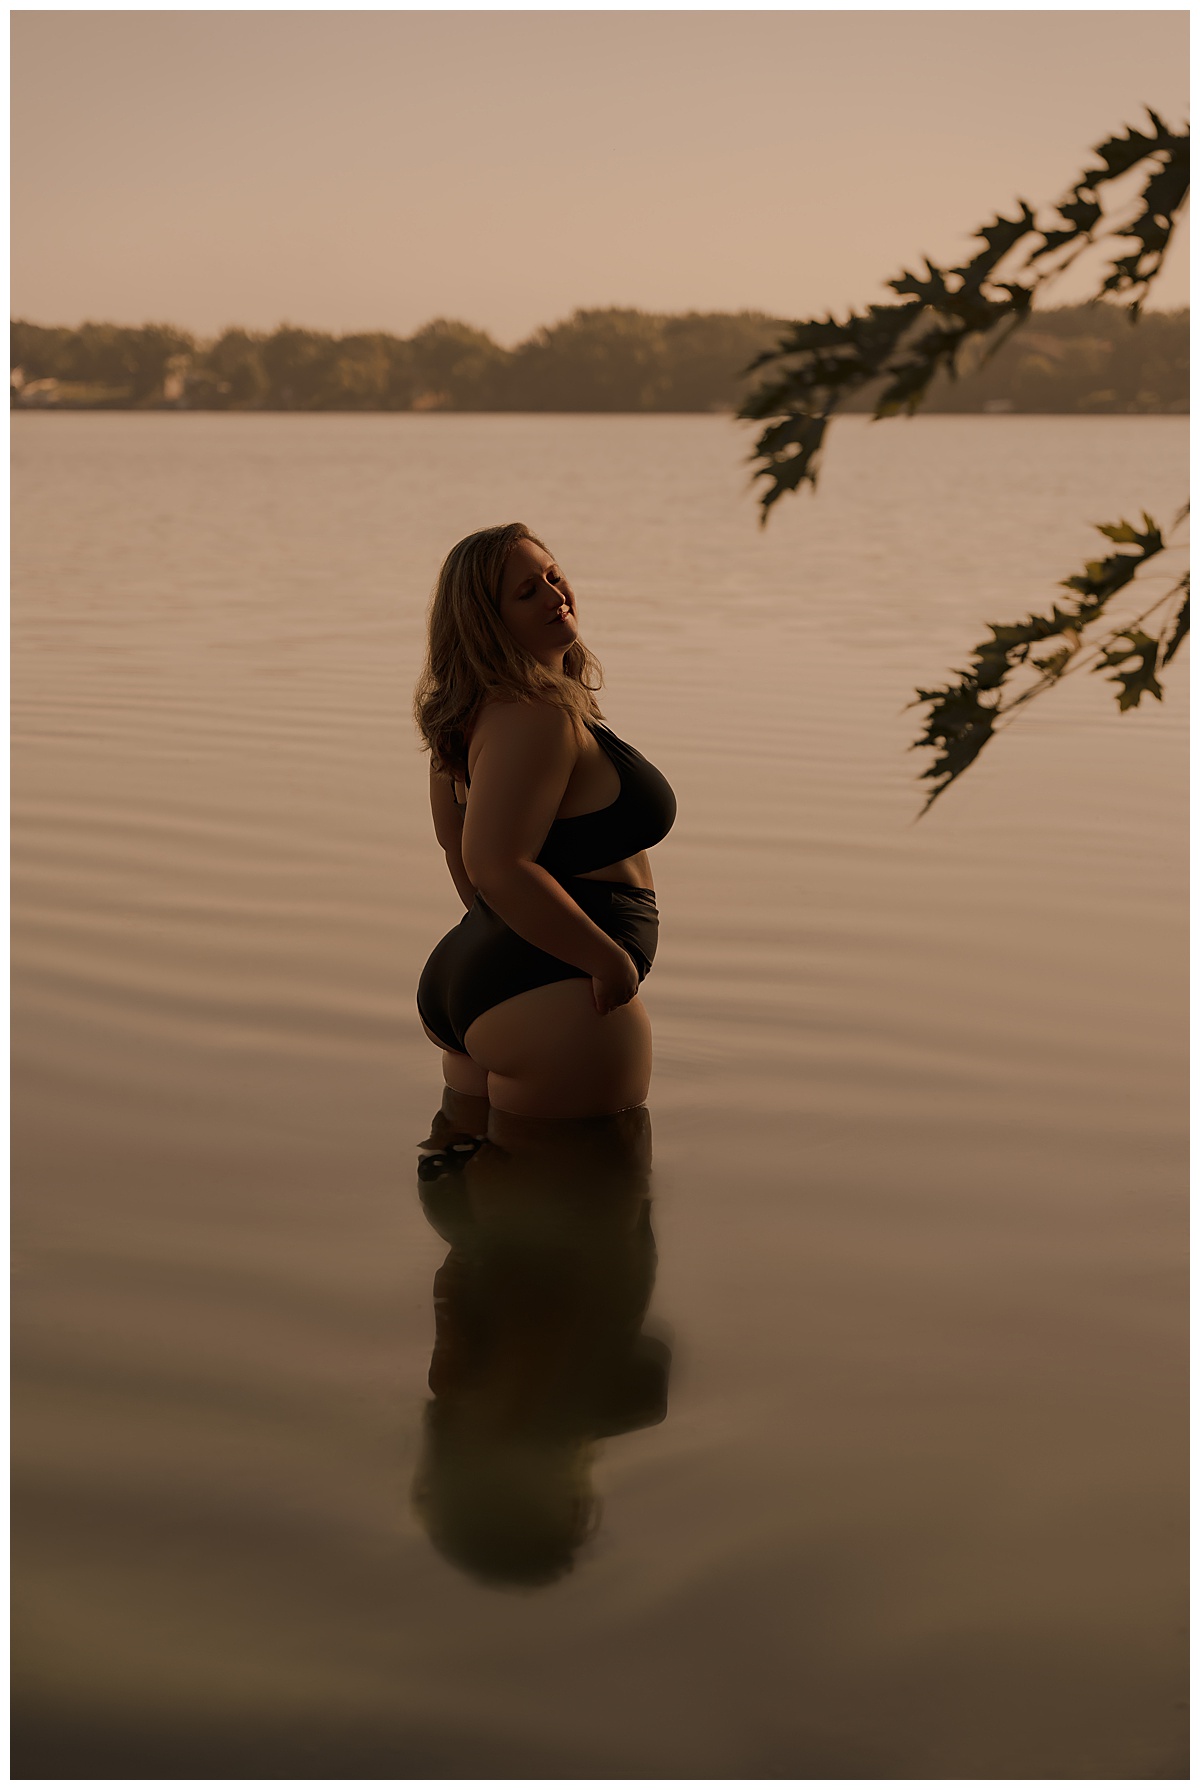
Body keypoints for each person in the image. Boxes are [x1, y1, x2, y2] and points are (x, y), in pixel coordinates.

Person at [414, 523, 676, 1119]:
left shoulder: (467, 718)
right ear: (487, 620)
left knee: (481, 1193)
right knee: (593, 1201)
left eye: (553, 577)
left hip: (485, 977)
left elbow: (456, 848)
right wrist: (606, 961)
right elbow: (494, 864)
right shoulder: (535, 714)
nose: (556, 596)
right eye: (526, 593)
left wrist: (501, 944)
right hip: (562, 990)